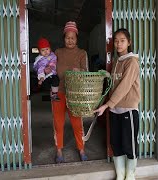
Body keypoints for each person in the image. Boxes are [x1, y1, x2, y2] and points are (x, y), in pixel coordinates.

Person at [94, 28, 140, 180]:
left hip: (128, 110)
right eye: (116, 41)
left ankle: (130, 175)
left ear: (129, 42)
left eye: (122, 41)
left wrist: (107, 105)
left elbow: (124, 86)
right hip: (115, 110)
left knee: (129, 145)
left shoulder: (132, 61)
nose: (119, 44)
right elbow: (113, 85)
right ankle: (120, 175)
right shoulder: (116, 62)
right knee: (116, 144)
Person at [52, 21, 89, 163]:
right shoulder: (58, 52)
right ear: (64, 38)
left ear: (77, 38)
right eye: (67, 37)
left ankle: (81, 149)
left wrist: (79, 71)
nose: (70, 40)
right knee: (58, 122)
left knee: (77, 123)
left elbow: (86, 72)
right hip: (58, 92)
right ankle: (59, 151)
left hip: (75, 94)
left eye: (73, 37)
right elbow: (51, 67)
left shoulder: (82, 53)